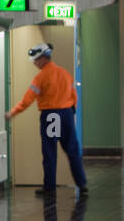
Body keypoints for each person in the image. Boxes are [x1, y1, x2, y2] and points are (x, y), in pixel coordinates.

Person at [6, 43, 87, 198]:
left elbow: (27, 100)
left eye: (36, 60)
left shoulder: (41, 77)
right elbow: (74, 95)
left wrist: (13, 113)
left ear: (43, 58)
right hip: (67, 114)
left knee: (50, 152)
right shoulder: (65, 74)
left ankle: (50, 187)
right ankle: (82, 185)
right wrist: (71, 111)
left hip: (51, 116)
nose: (35, 63)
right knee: (72, 150)